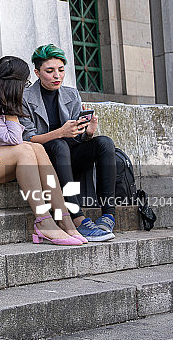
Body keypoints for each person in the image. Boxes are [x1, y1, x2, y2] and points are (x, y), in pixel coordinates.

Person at [0, 56, 86, 245]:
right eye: (24, 83)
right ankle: (44, 222)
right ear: (13, 83)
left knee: (36, 148)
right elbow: (14, 139)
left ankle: (64, 218)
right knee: (24, 151)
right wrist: (12, 109)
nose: (25, 88)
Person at [20, 44, 117, 241]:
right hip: (44, 159)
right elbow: (27, 138)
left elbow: (76, 137)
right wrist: (60, 133)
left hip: (68, 155)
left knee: (104, 142)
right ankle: (78, 219)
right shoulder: (25, 98)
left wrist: (87, 133)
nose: (57, 75)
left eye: (61, 70)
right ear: (37, 72)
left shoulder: (71, 94)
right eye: (50, 71)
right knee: (59, 144)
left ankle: (108, 214)